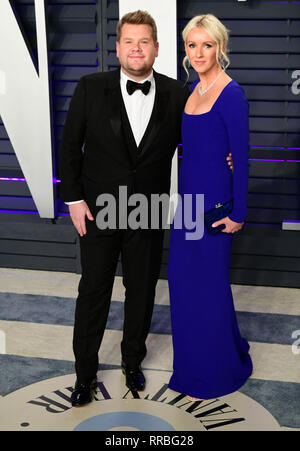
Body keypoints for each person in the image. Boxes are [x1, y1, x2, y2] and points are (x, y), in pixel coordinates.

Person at [59, 10, 232, 407]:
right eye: (129, 42)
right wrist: (73, 200)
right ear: (118, 48)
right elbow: (70, 148)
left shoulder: (178, 93)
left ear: (156, 49)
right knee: (93, 291)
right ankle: (84, 374)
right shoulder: (89, 87)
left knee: (141, 291)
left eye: (144, 42)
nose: (137, 49)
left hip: (150, 209)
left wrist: (227, 159)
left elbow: (202, 139)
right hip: (99, 209)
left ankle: (131, 361)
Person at [168, 14, 253, 401]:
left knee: (210, 288)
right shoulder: (191, 92)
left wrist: (238, 213)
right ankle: (192, 364)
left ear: (220, 47)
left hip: (216, 208)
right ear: (185, 49)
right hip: (186, 205)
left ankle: (217, 371)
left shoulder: (231, 94)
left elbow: (243, 158)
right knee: (184, 287)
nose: (199, 52)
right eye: (192, 45)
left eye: (207, 45)